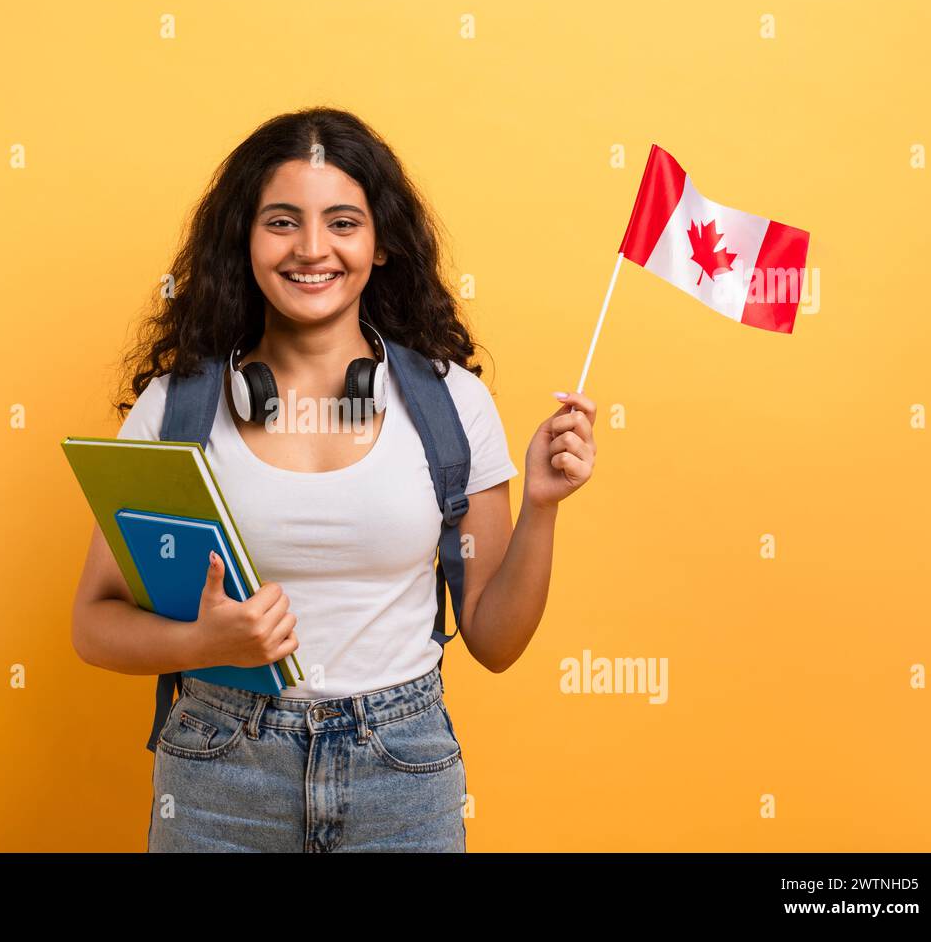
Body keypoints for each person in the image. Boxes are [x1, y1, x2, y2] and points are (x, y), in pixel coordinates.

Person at [71, 107, 597, 852]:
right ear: (244, 241)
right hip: (221, 774)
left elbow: (495, 640)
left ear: (381, 244)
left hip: (402, 773)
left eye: (343, 222)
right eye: (282, 222)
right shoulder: (179, 408)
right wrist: (203, 639)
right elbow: (93, 625)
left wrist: (543, 508)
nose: (312, 249)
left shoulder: (452, 405)